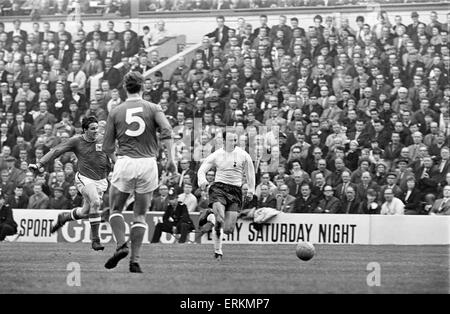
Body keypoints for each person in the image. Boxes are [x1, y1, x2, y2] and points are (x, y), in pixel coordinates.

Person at [102, 71, 174, 273]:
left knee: (115, 210)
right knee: (140, 215)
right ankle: (134, 261)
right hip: (148, 164)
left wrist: (117, 162)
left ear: (125, 88)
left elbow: (107, 147)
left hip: (125, 161)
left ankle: (120, 245)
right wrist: (171, 160)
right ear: (143, 87)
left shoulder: (116, 111)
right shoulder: (153, 108)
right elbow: (167, 130)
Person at [28, 116, 111, 251]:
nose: (96, 131)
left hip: (101, 181)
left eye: (97, 128)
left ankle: (65, 217)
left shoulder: (103, 139)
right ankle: (96, 240)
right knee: (96, 203)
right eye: (93, 129)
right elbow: (56, 150)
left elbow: (111, 153)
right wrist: (40, 164)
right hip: (84, 178)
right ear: (85, 130)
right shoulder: (76, 141)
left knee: (86, 212)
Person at [197, 131, 256, 260]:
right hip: (219, 188)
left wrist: (251, 190)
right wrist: (203, 182)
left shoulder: (243, 155)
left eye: (235, 139)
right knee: (220, 220)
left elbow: (250, 173)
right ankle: (218, 251)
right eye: (230, 140)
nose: (233, 142)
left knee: (228, 229)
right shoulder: (217, 155)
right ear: (223, 141)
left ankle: (210, 215)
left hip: (235, 191)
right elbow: (202, 170)